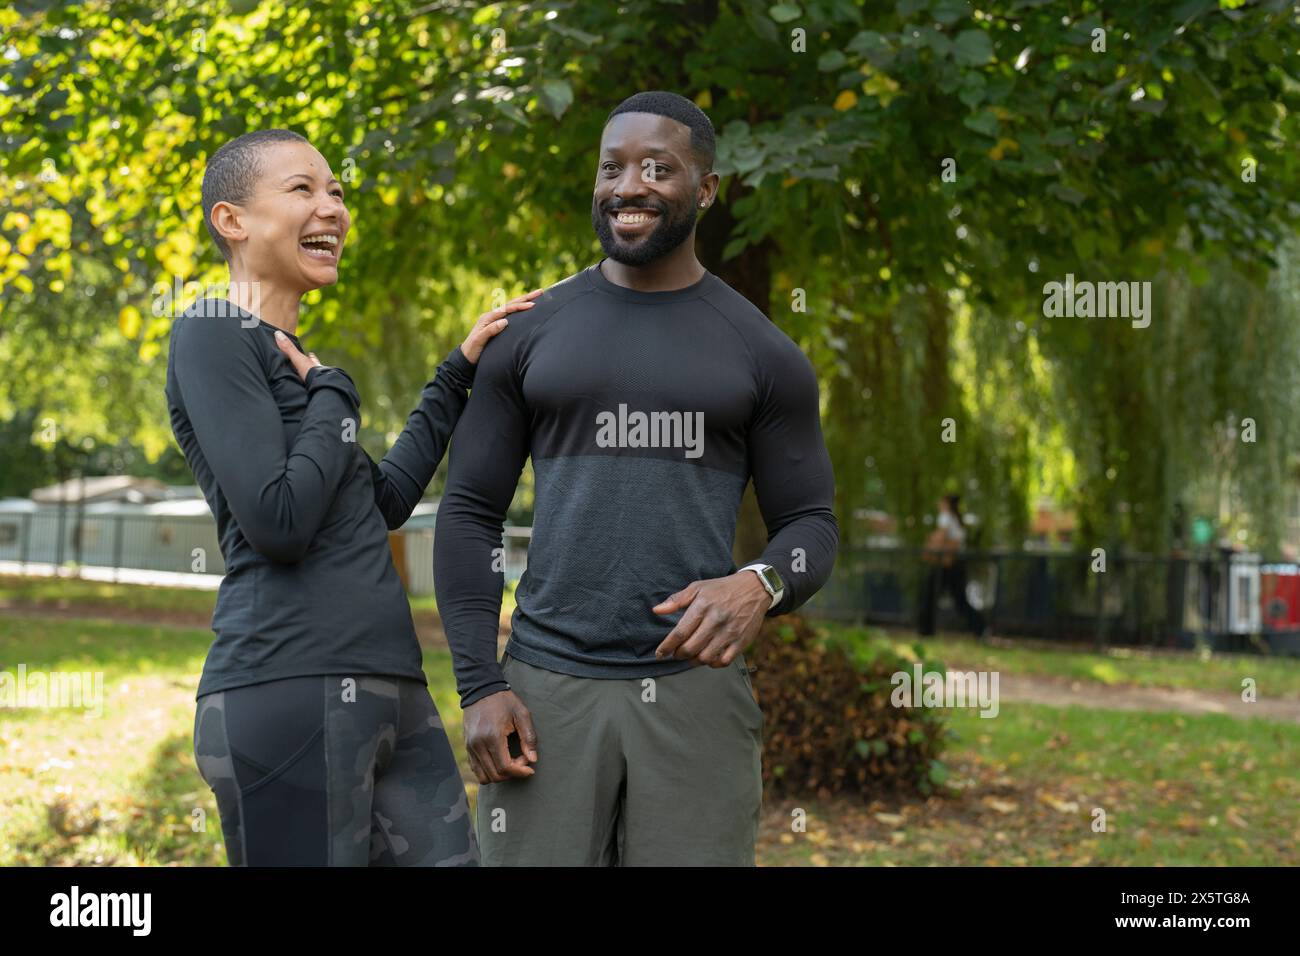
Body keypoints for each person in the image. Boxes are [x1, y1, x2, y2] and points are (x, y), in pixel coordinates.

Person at [433, 92, 840, 866]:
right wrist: (481, 685)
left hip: (695, 695)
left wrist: (758, 582)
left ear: (708, 189)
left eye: (660, 168)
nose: (631, 186)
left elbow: (813, 525)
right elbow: (469, 511)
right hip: (545, 691)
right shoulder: (529, 331)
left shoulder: (764, 353)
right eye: (612, 167)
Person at [165, 128, 540, 866]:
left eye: (336, 191)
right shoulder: (212, 332)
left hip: (392, 685)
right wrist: (334, 397)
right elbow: (278, 521)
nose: (332, 206)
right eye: (302, 189)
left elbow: (380, 506)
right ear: (231, 220)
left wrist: (455, 374)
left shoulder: (307, 377)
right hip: (289, 680)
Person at [918, 493, 989, 639]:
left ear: (946, 503)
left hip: (947, 564)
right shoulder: (957, 520)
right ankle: (981, 628)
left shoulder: (946, 517)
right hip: (954, 564)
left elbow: (941, 536)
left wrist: (930, 544)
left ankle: (926, 630)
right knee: (960, 601)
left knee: (930, 595)